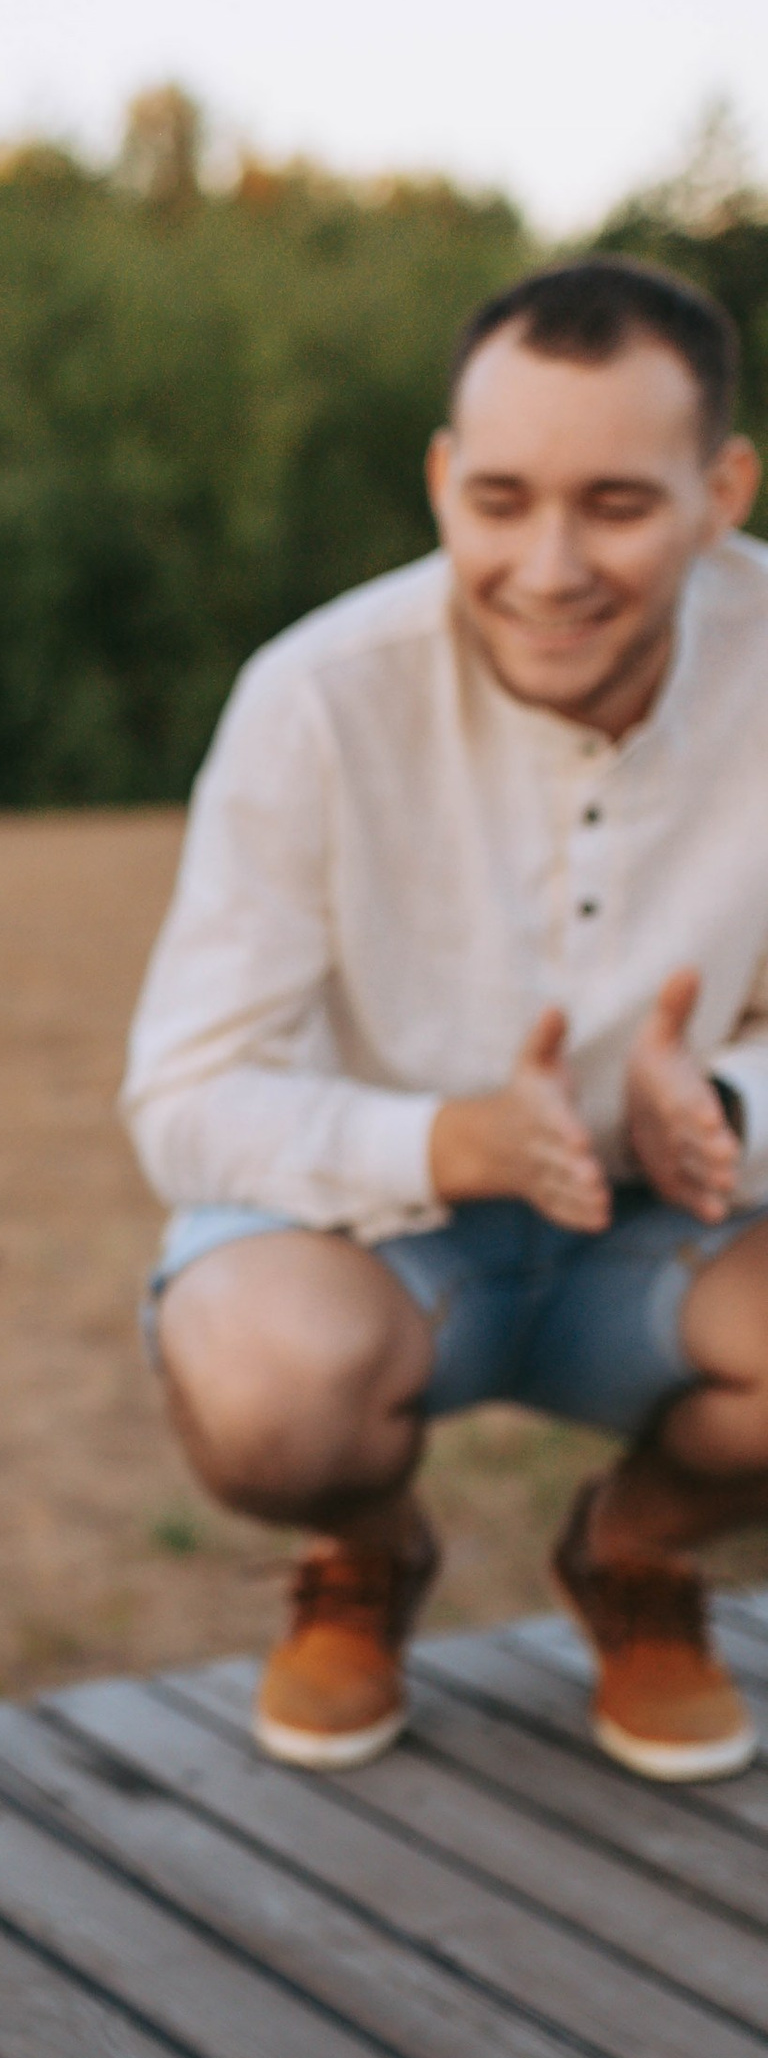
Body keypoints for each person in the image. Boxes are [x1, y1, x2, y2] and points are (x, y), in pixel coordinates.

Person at [125, 255, 768, 1780]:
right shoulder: (315, 696)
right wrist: (453, 1139)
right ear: (439, 481)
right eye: (500, 500)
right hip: (381, 1239)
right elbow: (184, 1095)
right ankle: (364, 1551)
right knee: (258, 1376)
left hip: (686, 1224)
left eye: (615, 504)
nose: (546, 564)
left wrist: (733, 1102)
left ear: (721, 486)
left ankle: (639, 1550)